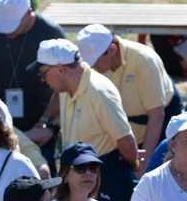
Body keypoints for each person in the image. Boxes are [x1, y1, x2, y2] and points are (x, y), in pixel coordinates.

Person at [40, 38, 140, 201]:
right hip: (79, 174)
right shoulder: (68, 86)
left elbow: (127, 143)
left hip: (104, 176)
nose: (42, 79)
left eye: (44, 73)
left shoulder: (99, 92)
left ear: (60, 69)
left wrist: (134, 166)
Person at [0, 0, 66, 140]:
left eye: (12, 24)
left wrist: (45, 122)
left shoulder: (50, 32)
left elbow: (65, 85)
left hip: (41, 122)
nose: (6, 30)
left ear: (28, 12)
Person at [74, 25, 179, 160]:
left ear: (112, 50)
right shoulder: (99, 65)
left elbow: (156, 116)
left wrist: (144, 161)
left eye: (95, 60)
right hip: (127, 123)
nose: (92, 66)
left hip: (161, 119)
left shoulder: (144, 61)